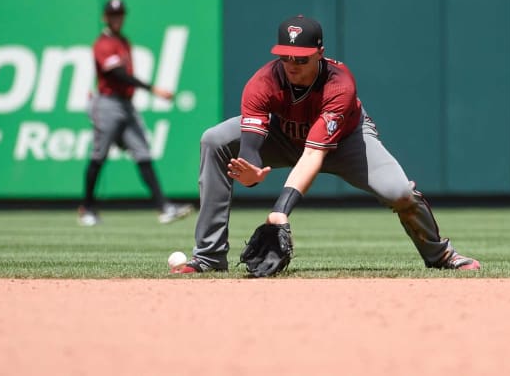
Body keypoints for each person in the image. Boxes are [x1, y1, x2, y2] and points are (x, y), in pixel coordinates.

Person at [174, 15, 480, 273]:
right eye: (285, 56)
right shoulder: (262, 82)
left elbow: (312, 155)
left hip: (347, 141)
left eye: (301, 58)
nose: (291, 65)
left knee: (398, 192)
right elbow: (252, 146)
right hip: (283, 136)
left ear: (320, 53)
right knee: (214, 139)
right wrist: (251, 174)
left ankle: (440, 255)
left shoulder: (339, 84)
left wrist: (280, 212)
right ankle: (210, 256)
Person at [78, 0, 192, 227]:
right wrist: (153, 89)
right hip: (108, 104)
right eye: (112, 15)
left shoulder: (123, 41)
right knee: (98, 156)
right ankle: (87, 208)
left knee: (143, 152)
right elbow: (117, 74)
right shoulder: (103, 43)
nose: (116, 18)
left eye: (119, 14)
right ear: (105, 18)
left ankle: (163, 207)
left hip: (126, 105)